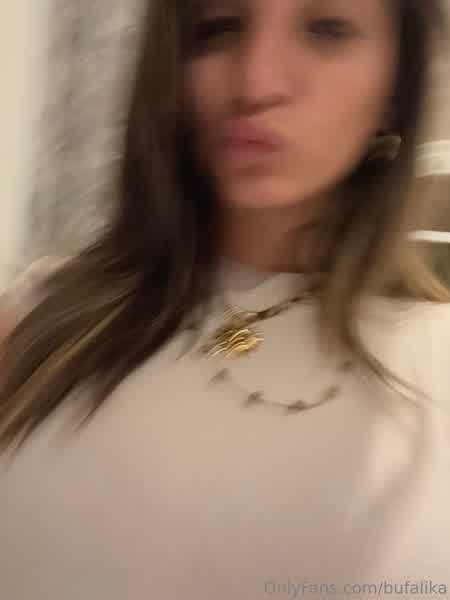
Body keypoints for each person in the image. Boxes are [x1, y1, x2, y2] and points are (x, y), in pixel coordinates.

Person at [1, 0, 450, 598]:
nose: (254, 84)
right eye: (218, 28)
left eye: (326, 30)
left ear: (398, 87)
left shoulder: (433, 368)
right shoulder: (37, 325)